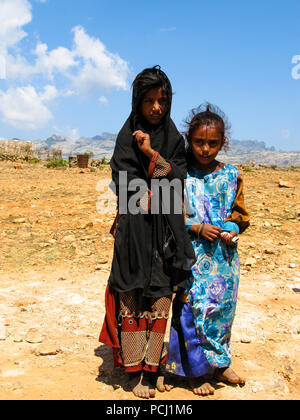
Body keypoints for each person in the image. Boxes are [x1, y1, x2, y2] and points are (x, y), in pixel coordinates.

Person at [99, 66, 195, 399]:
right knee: (131, 296)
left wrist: (151, 154)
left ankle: (150, 372)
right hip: (135, 232)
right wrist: (154, 187)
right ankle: (133, 367)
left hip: (166, 235)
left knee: (160, 297)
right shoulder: (126, 136)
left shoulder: (173, 139)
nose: (156, 108)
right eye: (149, 101)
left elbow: (177, 179)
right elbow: (123, 184)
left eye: (162, 100)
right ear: (137, 102)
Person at [166, 103, 250, 396]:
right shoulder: (180, 174)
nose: (205, 149)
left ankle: (220, 364)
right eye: (199, 142)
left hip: (224, 260)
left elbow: (240, 215)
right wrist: (197, 227)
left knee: (221, 312)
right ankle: (193, 371)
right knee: (192, 308)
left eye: (213, 143)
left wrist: (231, 229)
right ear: (190, 140)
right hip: (191, 256)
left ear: (222, 143)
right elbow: (170, 213)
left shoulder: (231, 175)